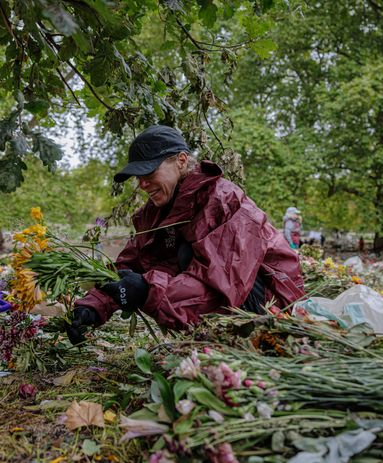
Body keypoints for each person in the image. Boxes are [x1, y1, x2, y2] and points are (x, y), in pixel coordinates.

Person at [67, 125, 305, 344]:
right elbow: (129, 267)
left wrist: (146, 290)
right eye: (138, 177)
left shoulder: (224, 201)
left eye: (148, 173)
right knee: (164, 261)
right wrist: (93, 306)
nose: (142, 184)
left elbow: (223, 287)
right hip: (217, 297)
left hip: (270, 304)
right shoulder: (154, 213)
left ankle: (234, 340)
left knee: (183, 253)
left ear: (181, 160)